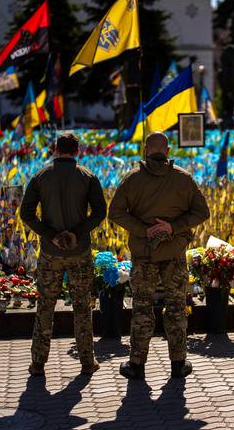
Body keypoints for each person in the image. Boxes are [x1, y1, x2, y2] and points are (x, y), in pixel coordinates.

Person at [109, 132, 210, 379]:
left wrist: (143, 230)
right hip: (174, 255)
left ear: (145, 150)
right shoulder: (183, 180)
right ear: (167, 152)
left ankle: (137, 365)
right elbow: (202, 212)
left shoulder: (132, 180)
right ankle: (178, 364)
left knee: (142, 308)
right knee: (176, 307)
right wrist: (173, 227)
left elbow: (116, 213)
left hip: (144, 256)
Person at [20, 132, 107, 376]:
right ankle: (87, 362)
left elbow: (26, 213)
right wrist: (78, 233)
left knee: (45, 306)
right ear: (77, 151)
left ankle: (38, 362)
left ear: (56, 149)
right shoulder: (88, 177)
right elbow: (100, 211)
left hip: (50, 252)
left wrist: (50, 235)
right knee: (82, 306)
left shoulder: (40, 177)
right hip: (79, 251)